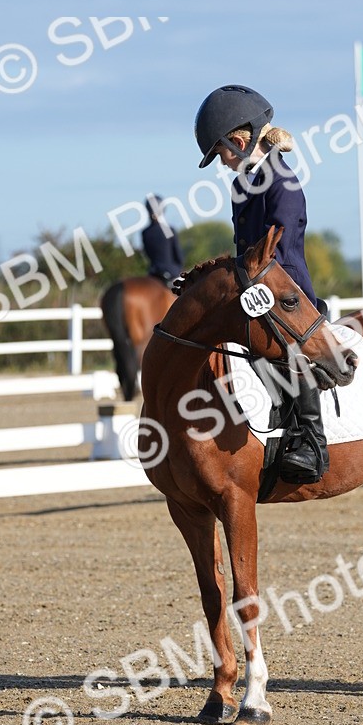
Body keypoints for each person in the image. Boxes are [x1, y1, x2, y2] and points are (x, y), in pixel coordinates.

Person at [194, 84, 329, 485]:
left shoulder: (281, 183)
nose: (221, 163)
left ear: (238, 141)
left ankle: (310, 440)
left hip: (286, 290)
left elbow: (280, 252)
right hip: (255, 283)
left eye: (220, 153)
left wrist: (253, 287)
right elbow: (244, 249)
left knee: (282, 348)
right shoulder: (243, 185)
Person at [141, 194, 183, 286]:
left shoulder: (145, 232)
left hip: (154, 274)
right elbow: (178, 256)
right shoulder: (169, 230)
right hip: (171, 273)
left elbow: (147, 254)